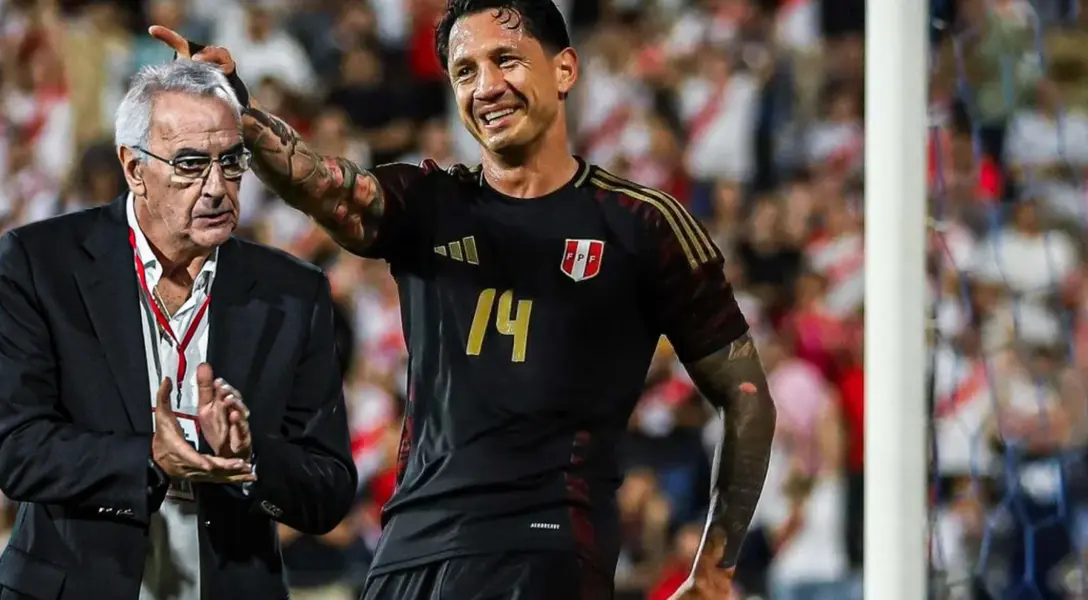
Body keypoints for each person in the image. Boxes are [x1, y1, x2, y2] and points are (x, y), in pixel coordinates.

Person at [153, 0, 778, 594]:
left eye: (506, 60)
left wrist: (715, 568)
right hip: (408, 552)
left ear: (565, 68)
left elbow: (745, 397)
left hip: (543, 547)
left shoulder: (643, 224)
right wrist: (236, 108)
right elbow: (325, 186)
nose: (486, 87)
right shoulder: (430, 203)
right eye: (464, 71)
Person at [0, 60, 356, 600]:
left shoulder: (294, 292)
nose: (217, 189)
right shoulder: (42, 263)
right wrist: (148, 458)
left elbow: (329, 489)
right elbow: (17, 448)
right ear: (134, 168)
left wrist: (251, 459)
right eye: (189, 164)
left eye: (231, 163)